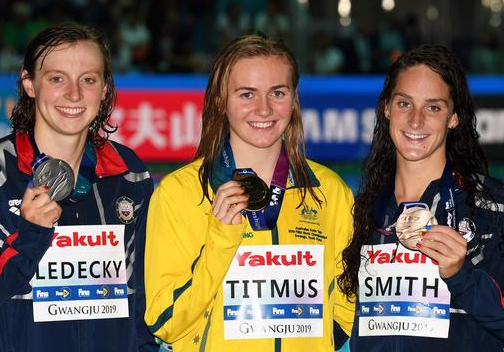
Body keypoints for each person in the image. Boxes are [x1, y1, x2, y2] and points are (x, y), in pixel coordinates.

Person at [0, 23, 157, 352]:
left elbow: (143, 299)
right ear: (29, 84)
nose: (74, 94)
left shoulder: (129, 176)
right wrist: (26, 239)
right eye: (57, 79)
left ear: (105, 89)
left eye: (88, 80)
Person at [144, 33, 356, 351]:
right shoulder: (179, 193)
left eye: (278, 93)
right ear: (220, 101)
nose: (264, 108)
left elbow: (346, 308)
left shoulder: (331, 192)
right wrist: (220, 242)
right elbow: (163, 322)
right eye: (246, 94)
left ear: (294, 99)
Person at [338, 44, 504, 351]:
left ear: (453, 117)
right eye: (404, 104)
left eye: (433, 107)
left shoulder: (493, 208)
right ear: (386, 108)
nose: (415, 120)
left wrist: (462, 276)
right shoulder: (362, 211)